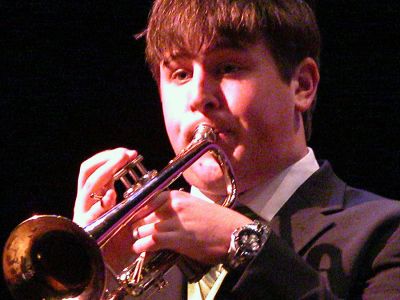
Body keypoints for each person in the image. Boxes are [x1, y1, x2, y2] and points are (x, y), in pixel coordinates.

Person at [73, 0, 400, 299]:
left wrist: (244, 244)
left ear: (302, 85)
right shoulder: (138, 260)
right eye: (181, 73)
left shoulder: (387, 235)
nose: (199, 97)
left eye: (228, 67)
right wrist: (92, 283)